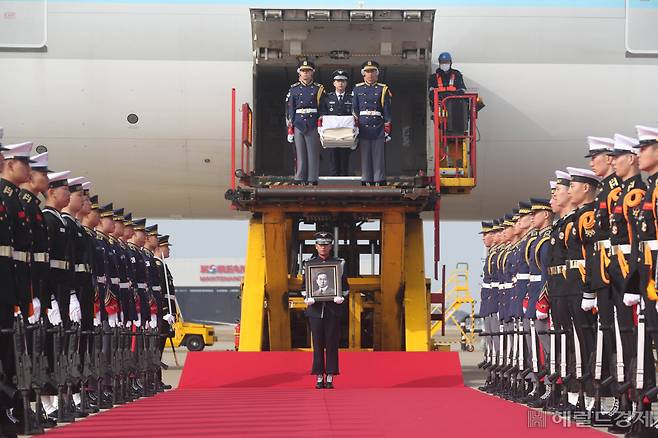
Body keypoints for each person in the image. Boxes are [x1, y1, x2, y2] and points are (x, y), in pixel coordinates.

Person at [302, 232, 348, 389]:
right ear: (316, 246)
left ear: (331, 246)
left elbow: (345, 286)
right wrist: (307, 297)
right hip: (315, 310)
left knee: (332, 343)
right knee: (318, 344)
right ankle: (318, 376)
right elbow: (304, 287)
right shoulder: (308, 264)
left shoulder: (339, 263)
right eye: (320, 244)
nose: (323, 247)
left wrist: (341, 296)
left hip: (332, 310)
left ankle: (330, 376)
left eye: (326, 244)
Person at [352, 60, 392, 186]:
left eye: (372, 71)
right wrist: (356, 126)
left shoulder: (383, 89)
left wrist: (387, 128)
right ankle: (366, 180)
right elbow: (355, 109)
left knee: (378, 156)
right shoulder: (357, 89)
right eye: (367, 72)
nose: (370, 74)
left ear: (377, 73)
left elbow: (387, 110)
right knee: (365, 156)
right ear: (363, 74)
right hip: (363, 125)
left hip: (378, 125)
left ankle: (379, 180)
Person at [285, 59, 325, 185]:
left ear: (312, 73)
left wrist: (320, 124)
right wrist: (290, 126)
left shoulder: (318, 89)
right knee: (300, 153)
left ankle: (312, 178)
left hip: (312, 123)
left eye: (308, 71)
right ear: (299, 73)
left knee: (313, 153)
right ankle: (300, 177)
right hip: (298, 123)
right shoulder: (293, 89)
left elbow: (322, 108)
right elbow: (290, 108)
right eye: (303, 71)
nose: (305, 73)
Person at [322, 69, 353, 176]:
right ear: (334, 83)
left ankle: (344, 189)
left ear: (346, 83)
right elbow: (323, 115)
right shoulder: (327, 97)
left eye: (343, 81)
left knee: (345, 162)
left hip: (346, 134)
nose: (340, 83)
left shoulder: (352, 98)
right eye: (338, 81)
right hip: (331, 134)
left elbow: (355, 116)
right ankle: (333, 189)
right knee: (333, 162)